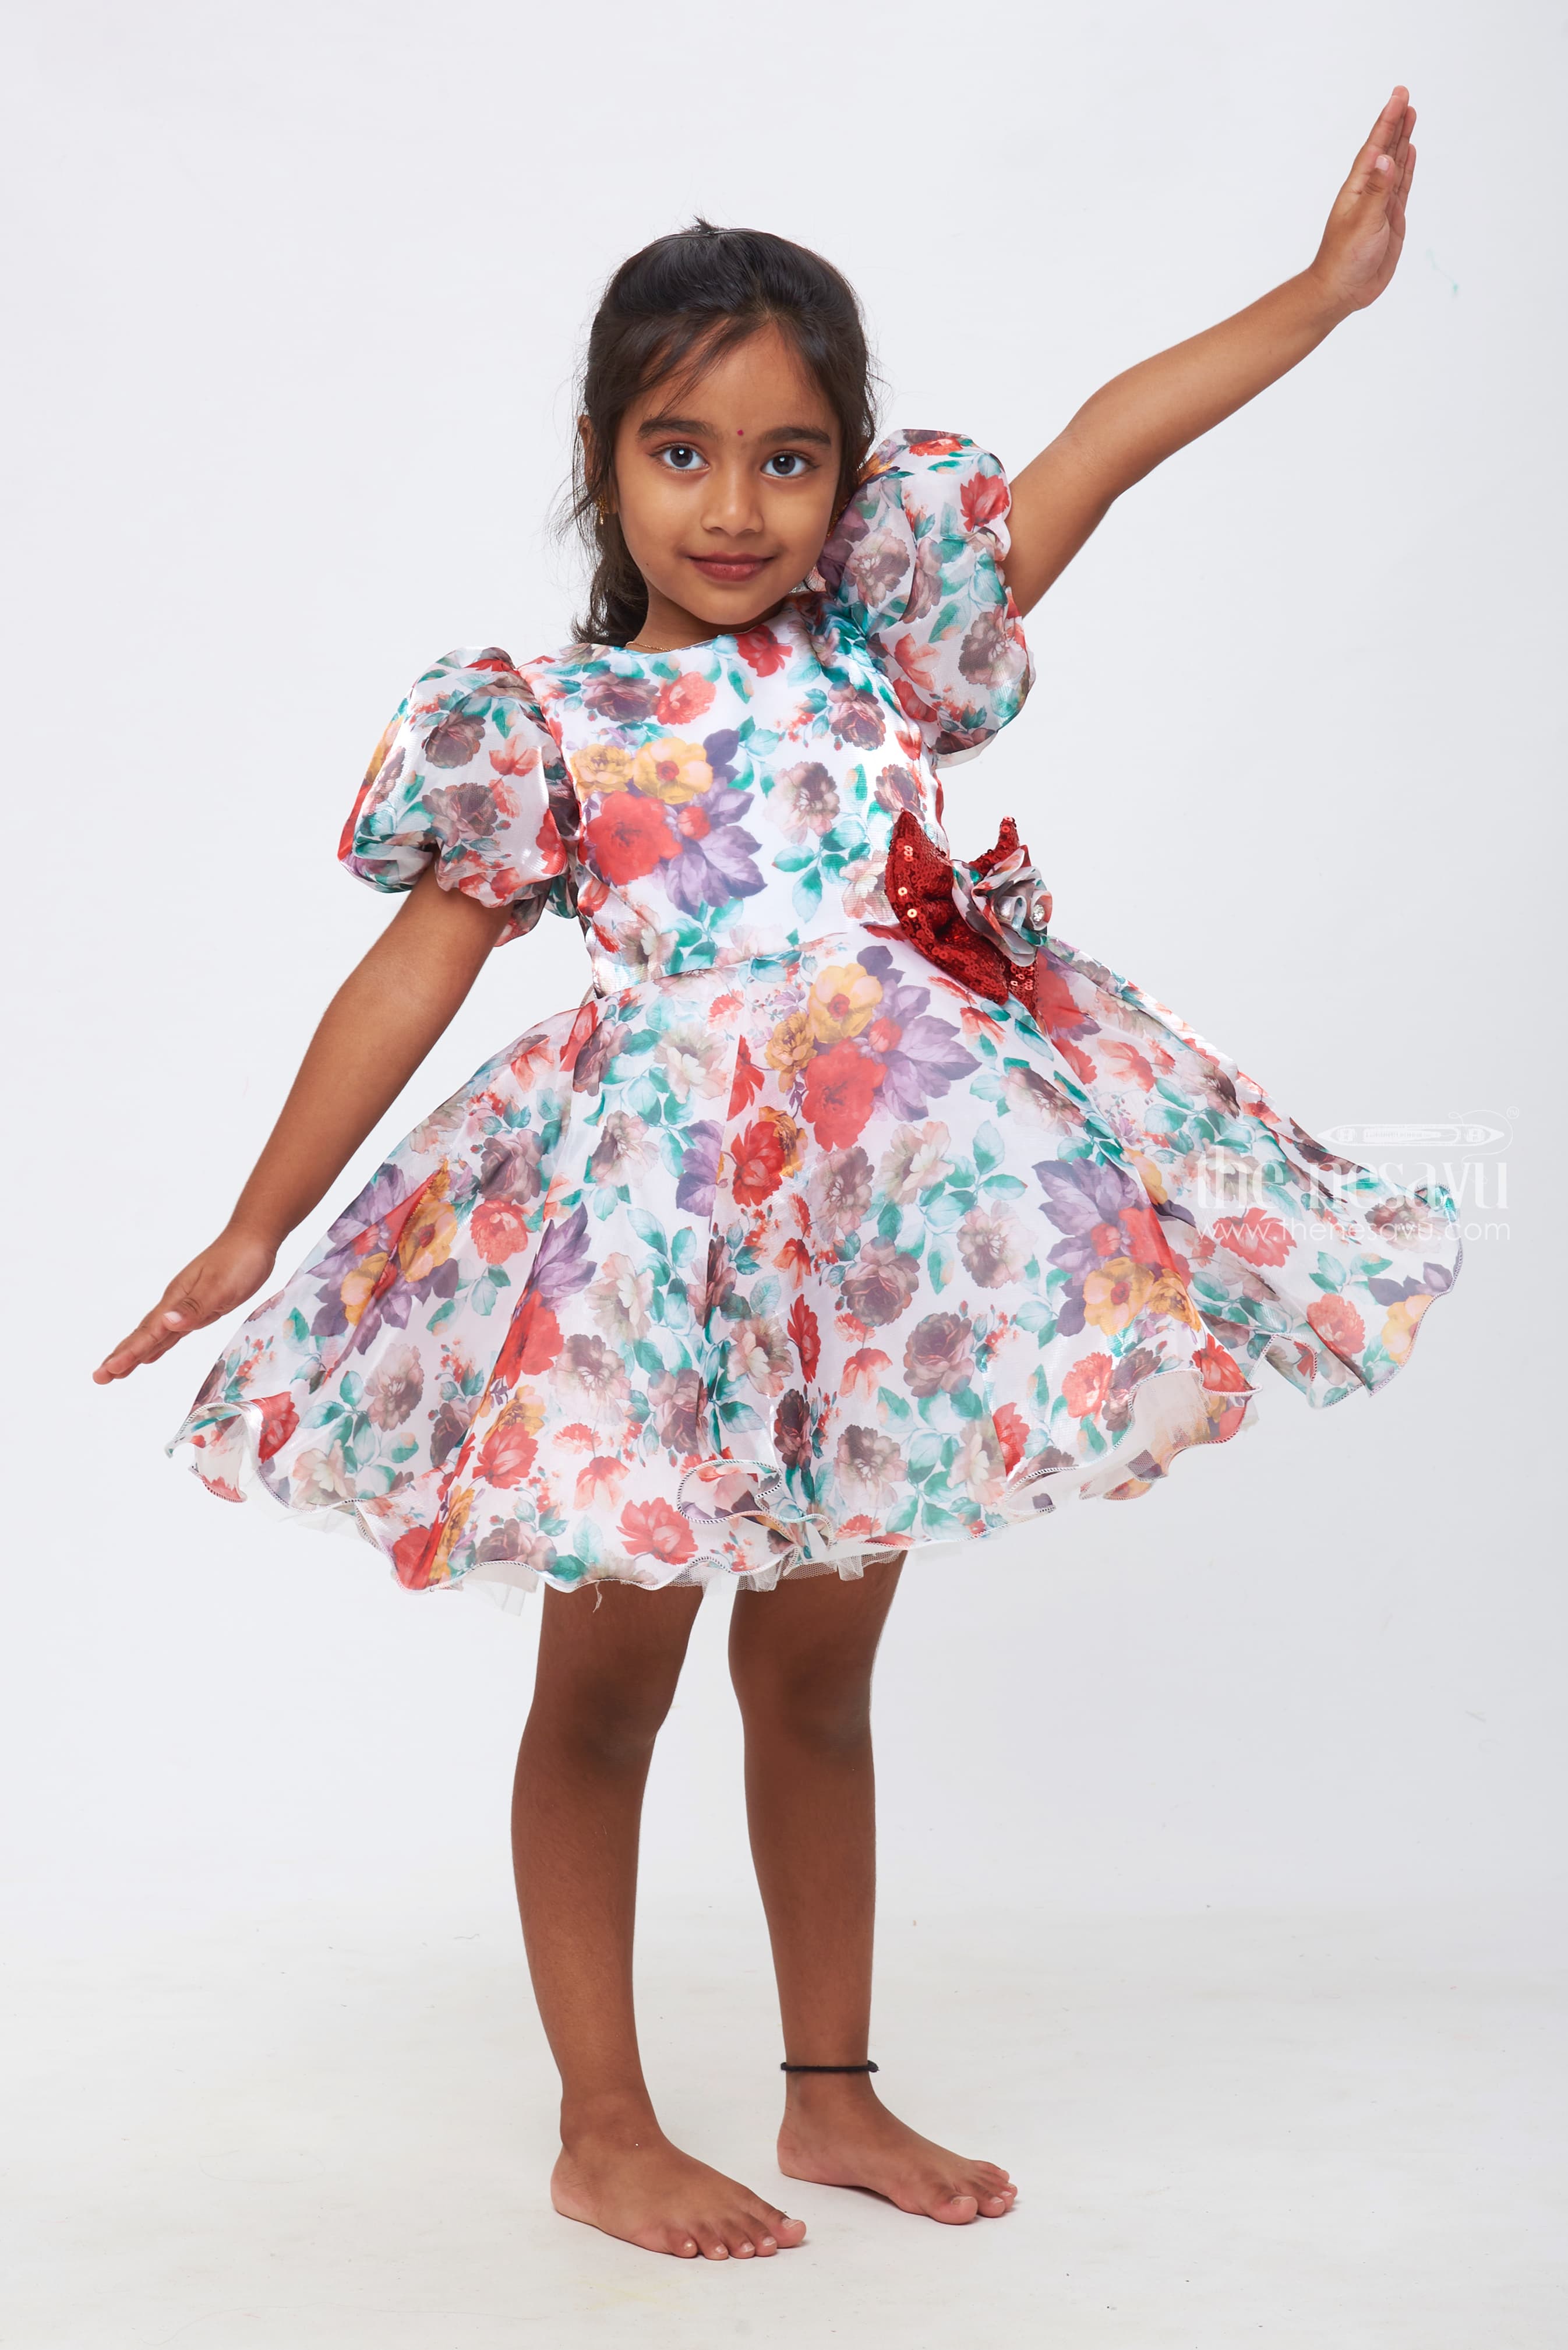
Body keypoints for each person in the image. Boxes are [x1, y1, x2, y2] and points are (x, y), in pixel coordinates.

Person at [96, 90, 1456, 2263]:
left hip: (885, 1243)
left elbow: (1103, 441)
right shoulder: (542, 720)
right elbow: (408, 973)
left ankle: (832, 2092)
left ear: (850, 478)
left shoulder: (883, 648)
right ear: (601, 458)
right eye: (682, 449)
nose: (735, 503)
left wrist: (1316, 295)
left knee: (818, 1679)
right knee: (605, 1688)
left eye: (790, 455)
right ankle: (605, 2119)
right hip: (652, 1244)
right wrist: (255, 1223)